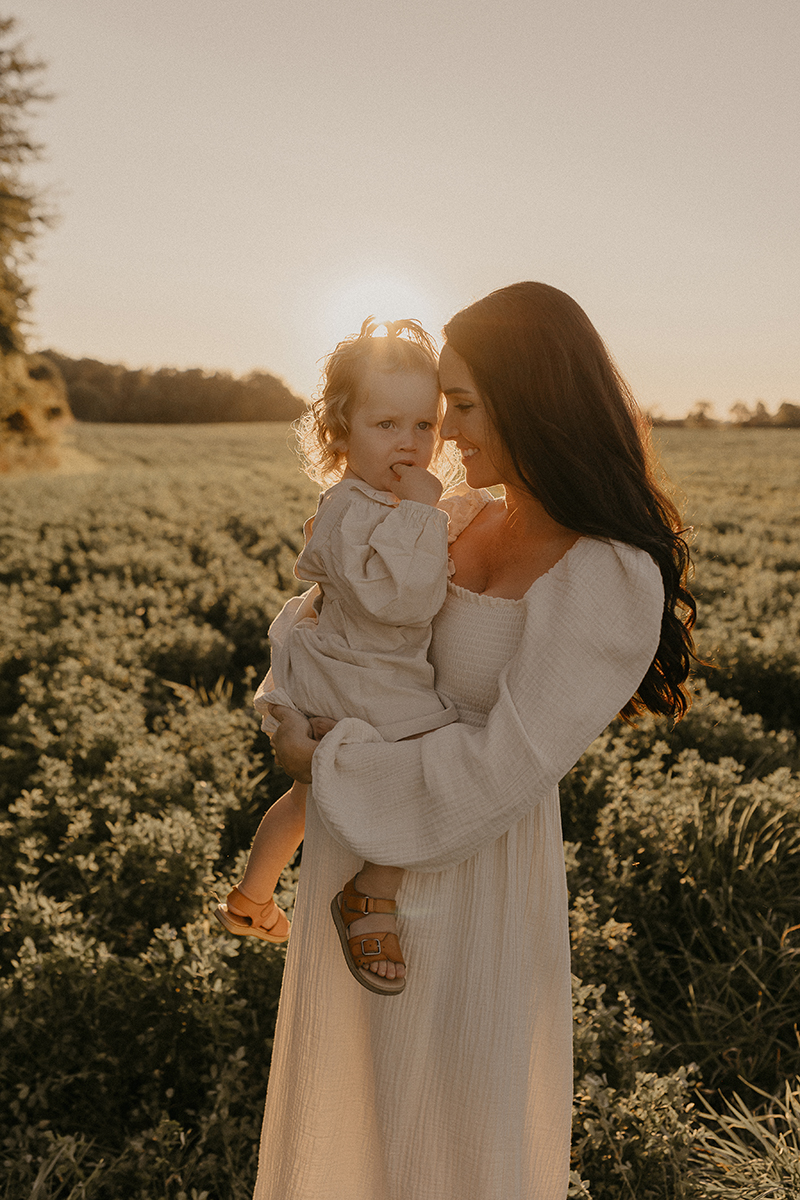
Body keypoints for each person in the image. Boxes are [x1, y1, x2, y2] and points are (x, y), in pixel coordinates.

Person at [254, 282, 698, 1200]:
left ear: (532, 398)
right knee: (355, 1129)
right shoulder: (456, 521)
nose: (443, 435)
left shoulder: (609, 576)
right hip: (358, 850)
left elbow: (505, 765)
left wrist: (325, 762)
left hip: (466, 874)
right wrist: (293, 698)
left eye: (462, 405)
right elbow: (347, 626)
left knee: (451, 1147)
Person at [216, 317, 464, 995]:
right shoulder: (350, 510)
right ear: (339, 432)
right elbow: (403, 602)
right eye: (388, 425)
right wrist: (423, 512)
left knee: (302, 798)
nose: (411, 445)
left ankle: (252, 897)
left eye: (425, 426)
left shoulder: (372, 498)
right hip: (362, 675)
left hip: (345, 664)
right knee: (433, 763)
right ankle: (373, 895)